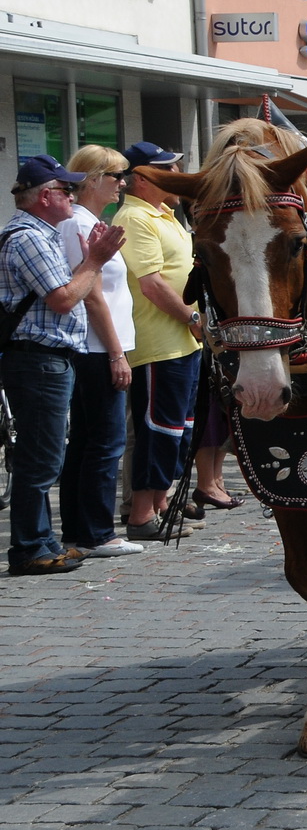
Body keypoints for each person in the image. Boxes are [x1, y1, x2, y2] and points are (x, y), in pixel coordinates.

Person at [2, 155, 127, 575]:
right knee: (40, 459)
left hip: (48, 360)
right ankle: (30, 547)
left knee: (48, 456)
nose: (73, 197)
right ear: (46, 196)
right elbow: (63, 298)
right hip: (38, 361)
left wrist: (91, 261)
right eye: (67, 190)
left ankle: (44, 539)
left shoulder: (42, 233)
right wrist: (96, 259)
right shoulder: (30, 238)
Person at [114, 141, 202, 543]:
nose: (176, 175)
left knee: (180, 427)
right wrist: (192, 317)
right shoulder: (134, 217)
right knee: (158, 429)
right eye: (167, 169)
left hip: (184, 341)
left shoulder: (164, 213)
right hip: (158, 340)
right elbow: (151, 284)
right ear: (144, 178)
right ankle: (141, 514)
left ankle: (162, 501)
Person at [57, 146, 141, 559]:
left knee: (90, 441)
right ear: (92, 179)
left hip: (100, 345)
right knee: (103, 442)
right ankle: (95, 532)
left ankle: (79, 529)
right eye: (115, 176)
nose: (122, 183)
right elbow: (91, 296)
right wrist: (115, 353)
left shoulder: (89, 222)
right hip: (95, 347)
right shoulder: (77, 225)